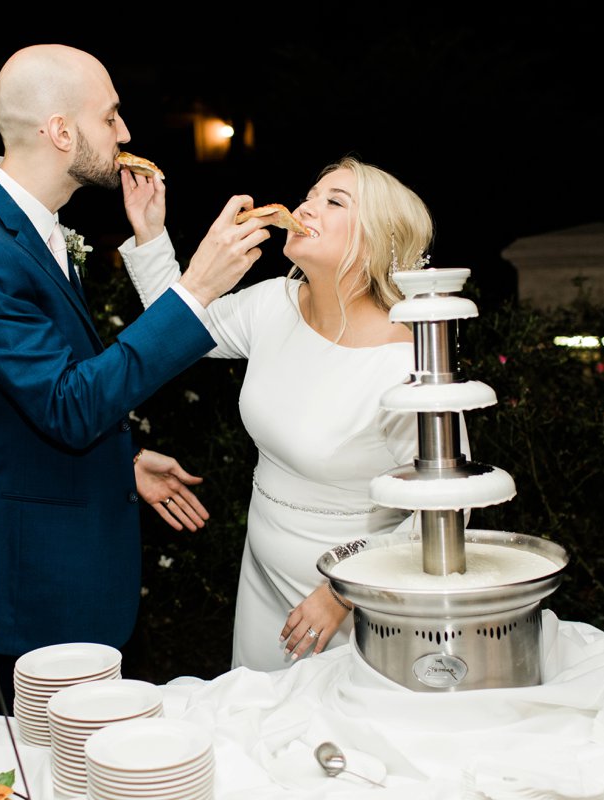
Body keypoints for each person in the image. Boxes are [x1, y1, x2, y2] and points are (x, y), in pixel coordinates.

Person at [0, 44, 274, 699]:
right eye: (110, 117)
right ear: (59, 131)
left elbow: (30, 394)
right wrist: (194, 291)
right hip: (24, 589)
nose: (125, 133)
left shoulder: (30, 226)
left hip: (65, 567)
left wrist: (123, 461)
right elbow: (68, 406)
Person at [120, 155, 466, 671]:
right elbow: (175, 327)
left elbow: (446, 510)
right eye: (312, 193)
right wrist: (150, 231)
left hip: (358, 601)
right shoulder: (273, 303)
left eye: (335, 201)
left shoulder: (408, 367)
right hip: (261, 573)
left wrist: (343, 591)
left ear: (375, 239)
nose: (308, 205)